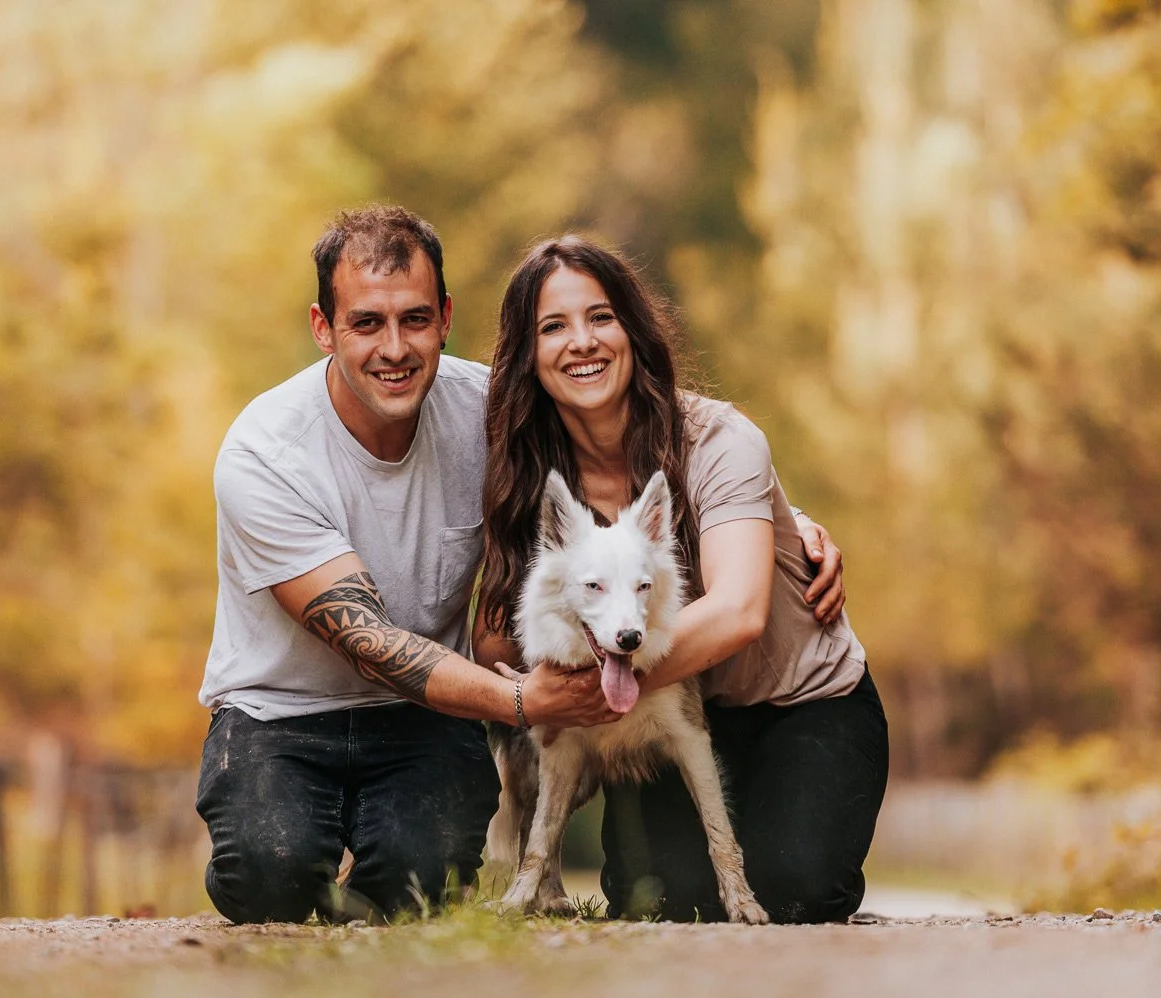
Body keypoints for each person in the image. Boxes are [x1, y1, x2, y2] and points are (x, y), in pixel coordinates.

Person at [196, 205, 849, 924]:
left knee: (418, 889)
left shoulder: (490, 412)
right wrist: (523, 701)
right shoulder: (263, 454)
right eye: (366, 323)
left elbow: (645, 449)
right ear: (323, 329)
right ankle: (291, 857)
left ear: (445, 317)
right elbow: (366, 638)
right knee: (271, 876)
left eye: (415, 319)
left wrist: (781, 527)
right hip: (281, 711)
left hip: (425, 715)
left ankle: (378, 874)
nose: (394, 349)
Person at [475, 235, 888, 925]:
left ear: (633, 329)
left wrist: (593, 687)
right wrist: (534, 689)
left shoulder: (720, 440)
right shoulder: (528, 474)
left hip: (798, 700)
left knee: (796, 888)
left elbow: (737, 612)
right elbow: (497, 639)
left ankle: (818, 854)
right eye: (554, 326)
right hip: (654, 719)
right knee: (659, 898)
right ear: (528, 354)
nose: (582, 342)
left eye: (601, 317)